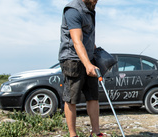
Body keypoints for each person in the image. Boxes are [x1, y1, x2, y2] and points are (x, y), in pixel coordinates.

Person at [58, 0, 105, 137]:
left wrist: (96, 52)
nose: (96, 1)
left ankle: (96, 133)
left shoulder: (89, 10)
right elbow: (76, 40)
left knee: (93, 97)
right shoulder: (73, 10)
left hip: (88, 58)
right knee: (71, 98)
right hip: (72, 60)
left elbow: (86, 36)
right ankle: (73, 135)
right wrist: (87, 65)